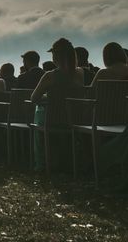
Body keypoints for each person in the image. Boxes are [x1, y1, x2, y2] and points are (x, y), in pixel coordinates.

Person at [31, 38, 85, 171]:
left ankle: (42, 162)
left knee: (38, 115)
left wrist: (47, 97)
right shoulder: (80, 73)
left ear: (56, 56)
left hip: (54, 119)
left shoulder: (50, 76)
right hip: (75, 119)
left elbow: (33, 98)